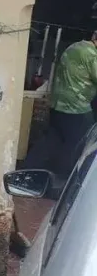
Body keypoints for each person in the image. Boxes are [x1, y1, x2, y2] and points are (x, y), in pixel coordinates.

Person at [24, 31, 97, 176]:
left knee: (52, 139)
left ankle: (27, 169)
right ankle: (68, 179)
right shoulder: (90, 54)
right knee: (83, 143)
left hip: (58, 106)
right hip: (76, 108)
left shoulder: (74, 47)